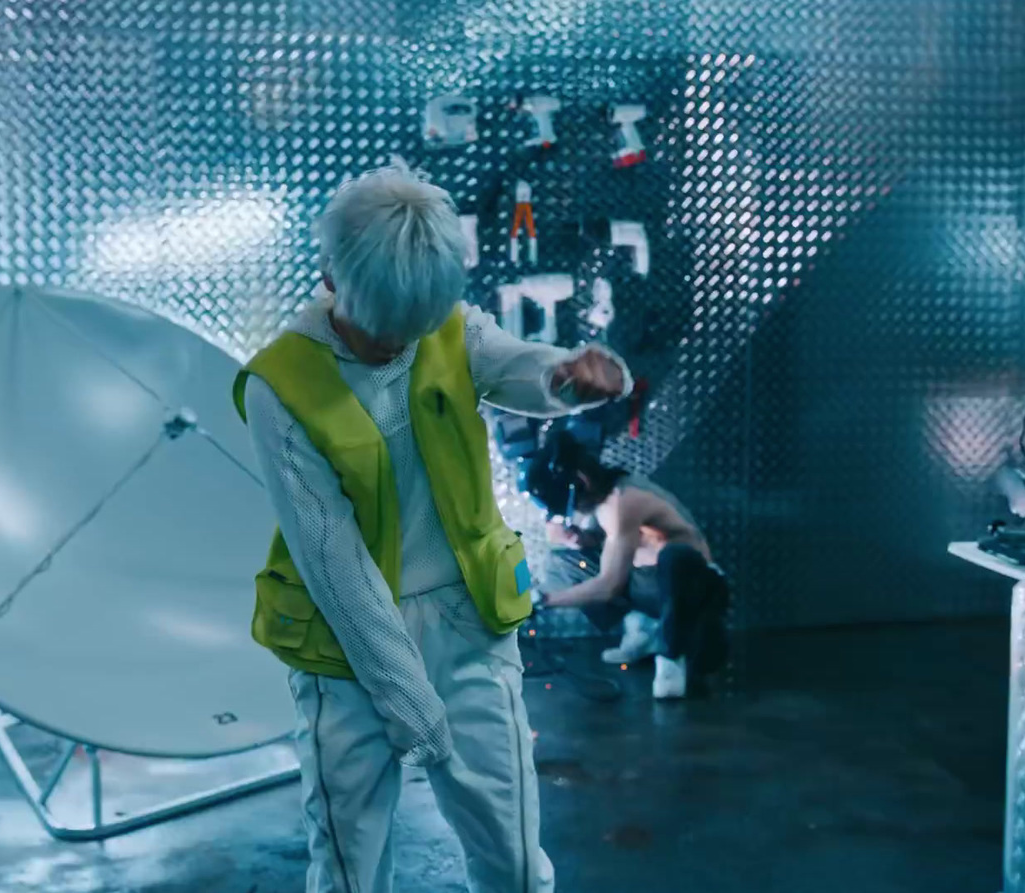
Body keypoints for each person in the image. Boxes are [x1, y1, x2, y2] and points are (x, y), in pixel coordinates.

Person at [235, 160, 631, 893]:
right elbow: (336, 564)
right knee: (351, 865)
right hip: (344, 647)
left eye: (421, 327)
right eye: (389, 332)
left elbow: (516, 366)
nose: (405, 344)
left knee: (513, 860)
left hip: (467, 621)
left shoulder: (445, 324)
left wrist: (567, 375)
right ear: (330, 276)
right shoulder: (278, 387)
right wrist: (409, 700)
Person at [525, 433, 729, 700]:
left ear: (581, 481)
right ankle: (643, 630)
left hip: (696, 591)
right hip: (650, 585)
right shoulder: (604, 503)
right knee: (566, 560)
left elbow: (610, 585)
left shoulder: (624, 501)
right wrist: (582, 539)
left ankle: (671, 657)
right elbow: (623, 544)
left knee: (674, 557)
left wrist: (542, 600)